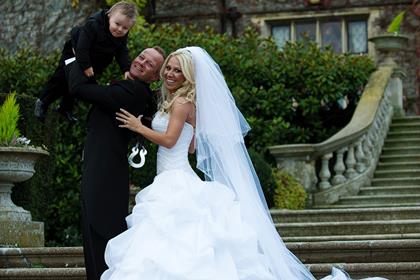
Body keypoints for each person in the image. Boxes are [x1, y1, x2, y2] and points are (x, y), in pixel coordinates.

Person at [105, 47, 388, 280]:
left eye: (177, 70)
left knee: (175, 241)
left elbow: (168, 140)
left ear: (188, 76)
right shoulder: (181, 102)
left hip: (173, 178)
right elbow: (190, 144)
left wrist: (138, 127)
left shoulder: (181, 103)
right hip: (174, 174)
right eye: (168, 67)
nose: (169, 73)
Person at [64, 46, 165, 280]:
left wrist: (71, 57)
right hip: (101, 168)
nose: (141, 62)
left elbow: (80, 89)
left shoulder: (134, 92)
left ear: (154, 77)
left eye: (150, 64)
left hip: (106, 173)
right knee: (93, 229)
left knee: (103, 232)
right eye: (141, 57)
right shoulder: (129, 87)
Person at [34, 1, 138, 122]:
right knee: (62, 78)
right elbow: (82, 47)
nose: (120, 29)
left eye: (125, 28)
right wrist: (86, 66)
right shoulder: (94, 24)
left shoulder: (121, 33)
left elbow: (122, 52)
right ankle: (42, 102)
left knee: (78, 84)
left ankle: (65, 108)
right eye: (117, 24)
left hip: (95, 59)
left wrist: (126, 69)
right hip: (76, 52)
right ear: (109, 15)